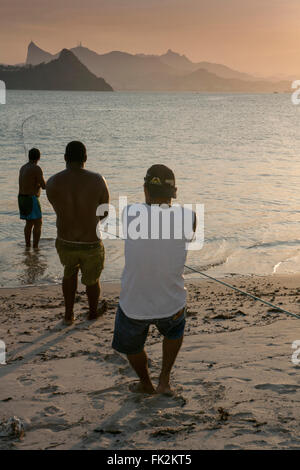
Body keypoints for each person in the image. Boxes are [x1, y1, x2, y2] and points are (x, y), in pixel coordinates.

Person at [112, 164, 197, 395]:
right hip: (172, 304)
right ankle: (165, 380)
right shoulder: (190, 216)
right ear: (174, 193)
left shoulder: (129, 213)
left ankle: (146, 383)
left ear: (146, 190)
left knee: (131, 344)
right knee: (174, 330)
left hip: (134, 306)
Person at [46, 141, 109, 325]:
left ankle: (68, 314)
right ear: (85, 158)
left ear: (65, 158)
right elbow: (104, 211)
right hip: (90, 241)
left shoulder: (52, 181)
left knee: (69, 273)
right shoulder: (98, 180)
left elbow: (57, 207)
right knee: (92, 279)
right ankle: (91, 312)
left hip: (65, 240)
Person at [18, 148, 46, 249]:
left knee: (29, 224)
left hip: (21, 198)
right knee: (38, 223)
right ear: (38, 157)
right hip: (30, 199)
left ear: (29, 156)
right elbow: (44, 186)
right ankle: (36, 247)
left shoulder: (23, 167)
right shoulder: (36, 168)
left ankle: (27, 246)